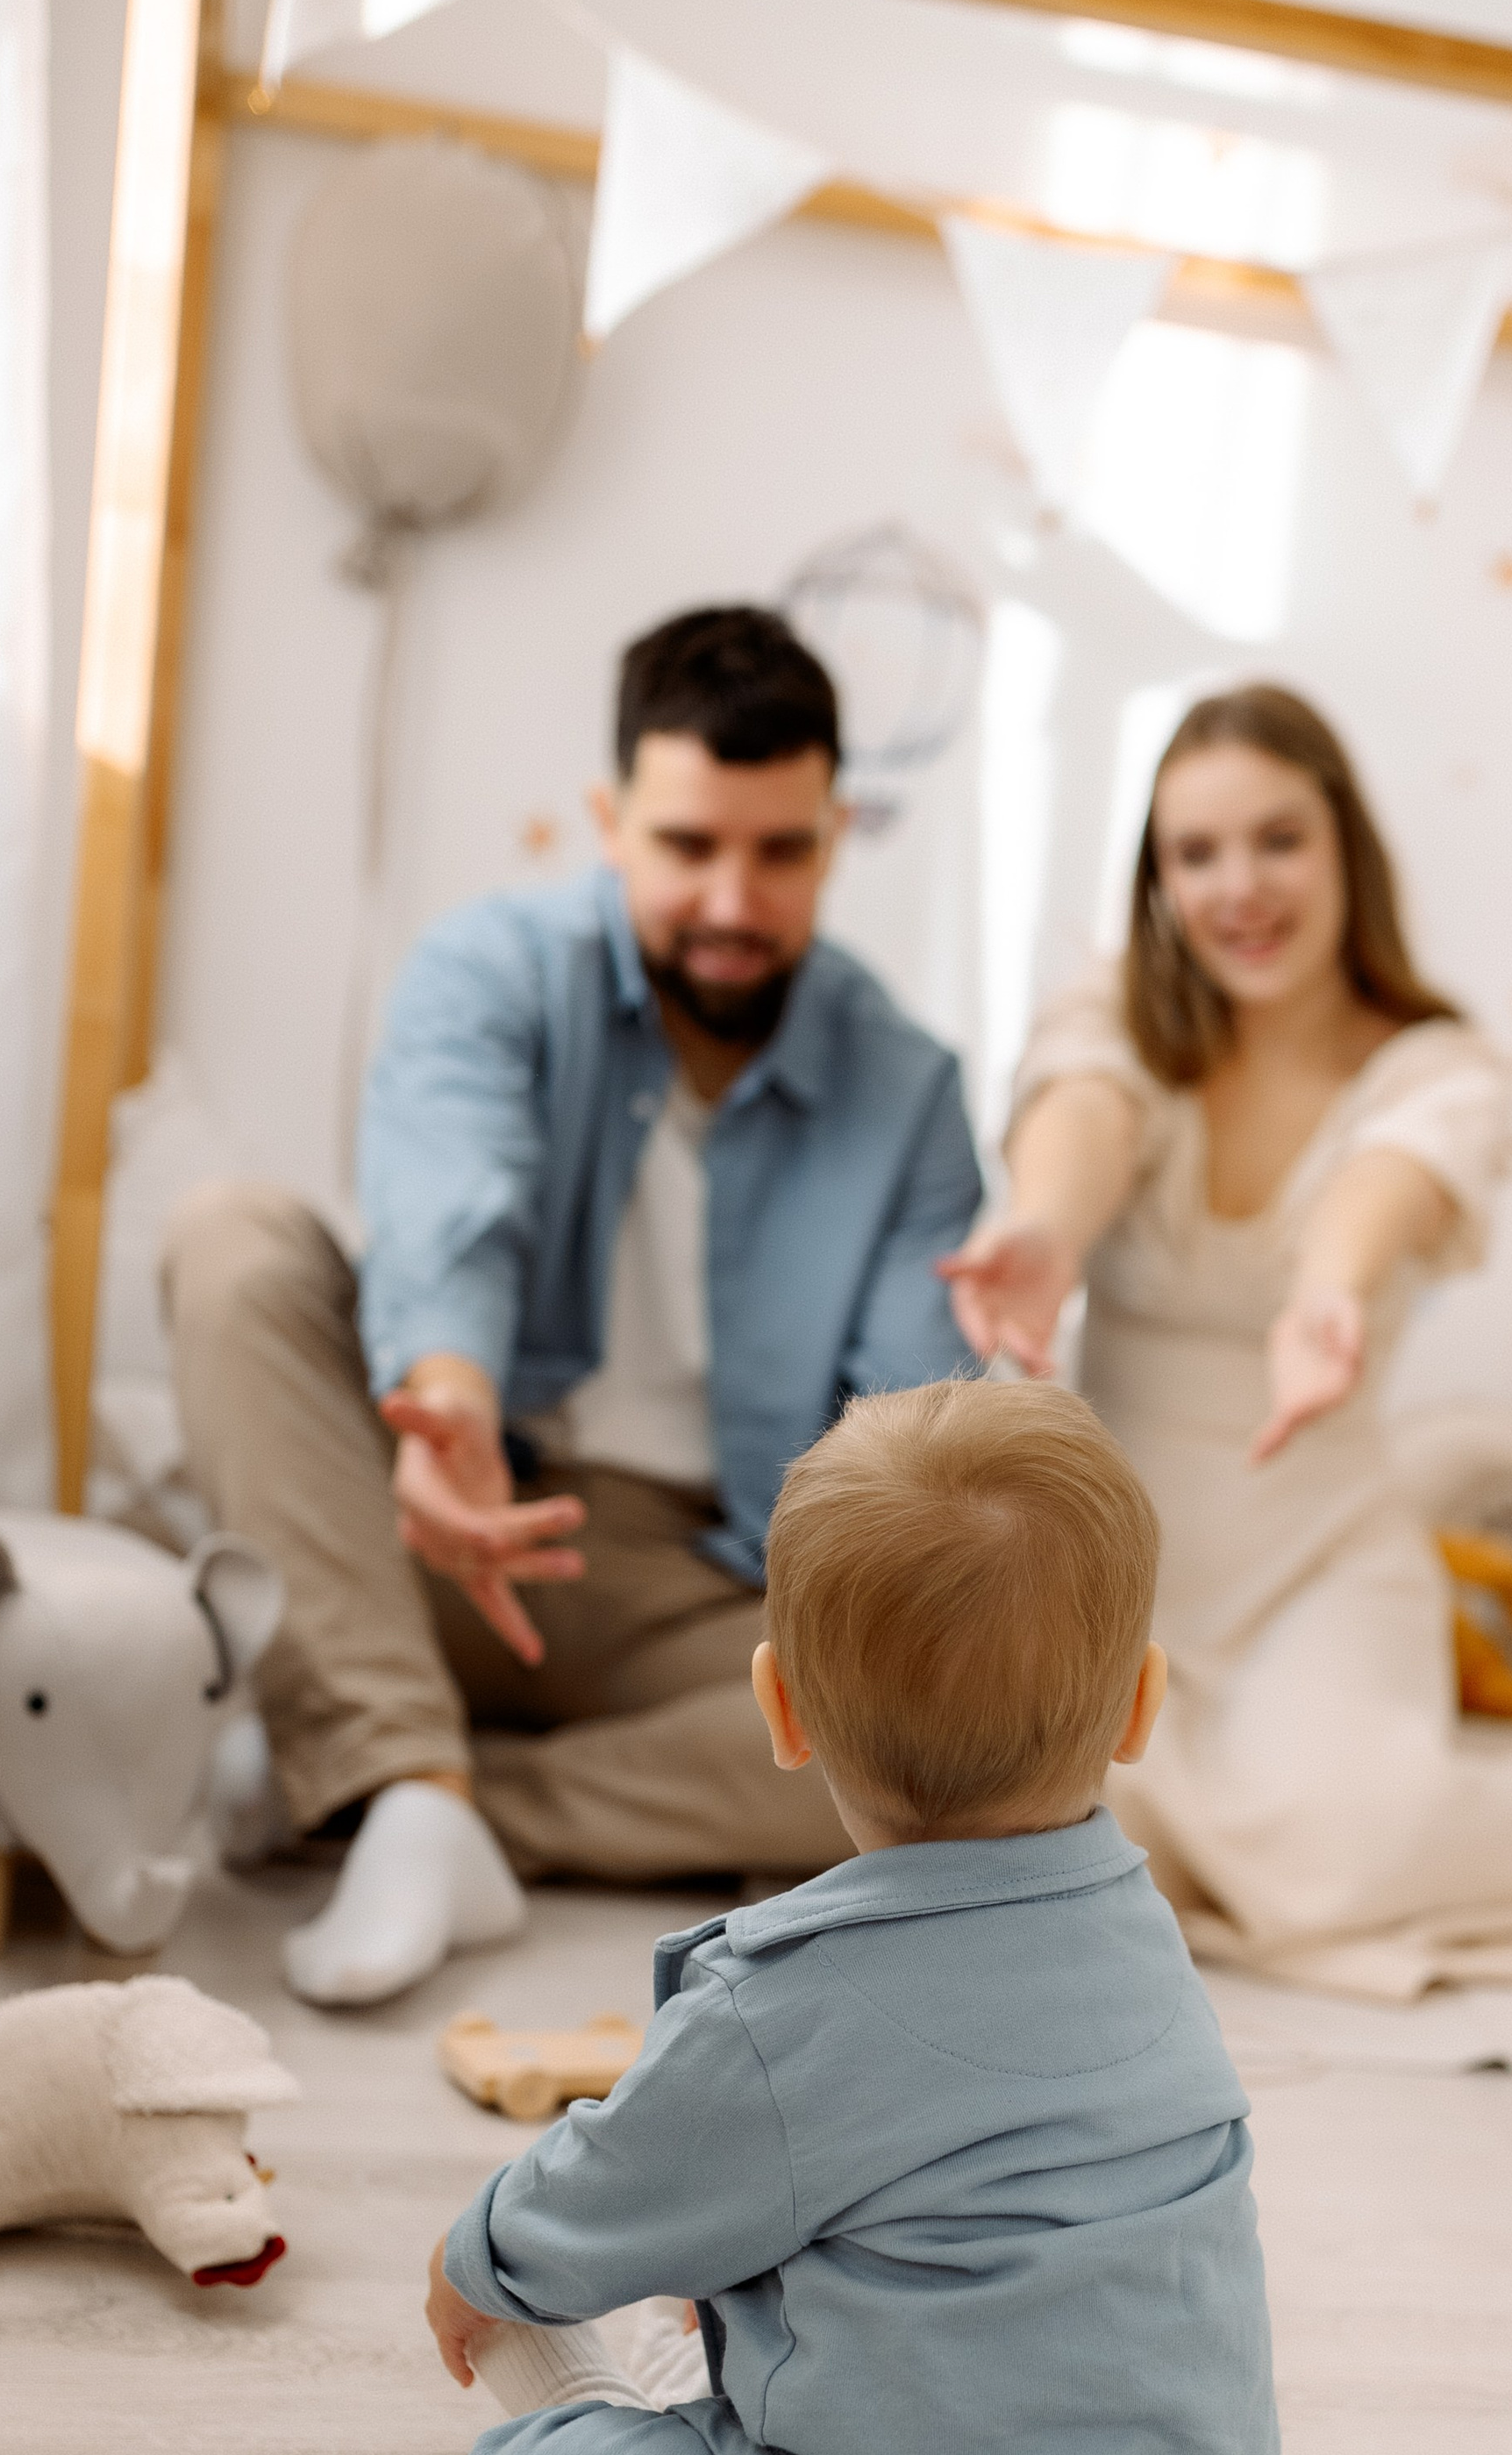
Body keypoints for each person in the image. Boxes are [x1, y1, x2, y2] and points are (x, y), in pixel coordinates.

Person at [423, 1380, 1299, 2455]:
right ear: (1141, 1706)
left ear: (781, 1710)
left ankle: (676, 2424)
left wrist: (476, 2258)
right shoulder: (1145, 1931)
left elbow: (610, 2192)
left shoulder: (791, 2010)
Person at [163, 606, 982, 2009]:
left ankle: (422, 1800)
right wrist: (453, 1408)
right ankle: (394, 1755)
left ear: (838, 834)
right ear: (611, 820)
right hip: (443, 1526)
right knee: (232, 1242)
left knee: (943, 1742)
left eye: (781, 850)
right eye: (688, 846)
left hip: (704, 1582)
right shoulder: (491, 971)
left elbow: (904, 1425)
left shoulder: (908, 1087)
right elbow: (450, 1207)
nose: (733, 900)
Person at [941, 684, 1512, 2002]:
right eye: (1196, 853)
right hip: (1114, 1575)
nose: (1242, 887)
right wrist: (1046, 1236)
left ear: (1347, 848)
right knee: (1036, 1852)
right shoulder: (1117, 1023)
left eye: (1279, 839)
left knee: (1344, 1856)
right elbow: (1086, 1122)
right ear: (1156, 880)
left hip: (1318, 1562)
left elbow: (1385, 1182)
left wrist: (1324, 1297)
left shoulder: (1438, 1065)